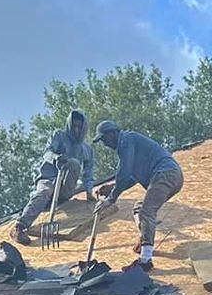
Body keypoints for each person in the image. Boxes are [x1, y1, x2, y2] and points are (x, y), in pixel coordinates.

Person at [93, 120, 183, 269]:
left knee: (146, 212)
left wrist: (111, 199)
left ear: (113, 133)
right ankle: (145, 239)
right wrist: (111, 187)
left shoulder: (126, 140)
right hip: (171, 176)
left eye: (104, 139)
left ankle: (146, 260)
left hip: (165, 174)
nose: (105, 144)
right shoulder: (130, 146)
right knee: (139, 209)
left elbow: (124, 172)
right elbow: (130, 179)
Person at [13, 110, 95, 245]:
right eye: (73, 126)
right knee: (44, 192)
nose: (76, 130)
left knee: (74, 163)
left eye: (79, 127)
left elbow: (88, 173)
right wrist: (56, 157)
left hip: (64, 189)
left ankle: (59, 200)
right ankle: (19, 227)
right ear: (69, 124)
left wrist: (89, 191)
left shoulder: (87, 150)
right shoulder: (59, 136)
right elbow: (47, 153)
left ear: (84, 128)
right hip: (49, 179)